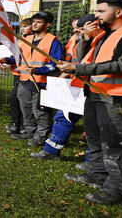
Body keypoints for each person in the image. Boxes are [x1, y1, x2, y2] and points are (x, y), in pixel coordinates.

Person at [59, 0, 122, 205]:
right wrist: (84, 38)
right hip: (96, 93)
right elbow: (83, 59)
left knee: (115, 145)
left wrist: (78, 69)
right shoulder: (103, 35)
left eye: (101, 11)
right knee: (94, 139)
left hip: (120, 97)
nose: (96, 15)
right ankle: (97, 174)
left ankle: (117, 189)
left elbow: (121, 64)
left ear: (119, 12)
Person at [30, 14, 99, 161]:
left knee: (94, 127)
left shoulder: (102, 41)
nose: (77, 32)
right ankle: (51, 151)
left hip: (95, 89)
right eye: (76, 29)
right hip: (77, 87)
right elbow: (73, 64)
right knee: (63, 117)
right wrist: (60, 81)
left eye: (80, 29)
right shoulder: (78, 40)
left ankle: (93, 163)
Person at [2, 11, 62, 146]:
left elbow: (56, 64)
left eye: (39, 22)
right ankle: (30, 130)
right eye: (34, 21)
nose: (34, 24)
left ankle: (41, 135)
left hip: (41, 82)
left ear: (48, 25)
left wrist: (38, 70)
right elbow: (20, 58)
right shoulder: (27, 40)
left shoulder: (53, 41)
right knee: (25, 107)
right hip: (24, 80)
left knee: (40, 110)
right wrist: (7, 59)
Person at [4, 18, 32, 134]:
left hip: (27, 75)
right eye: (21, 27)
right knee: (15, 98)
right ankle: (17, 123)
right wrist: (7, 59)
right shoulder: (20, 40)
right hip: (18, 74)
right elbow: (18, 57)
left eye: (25, 26)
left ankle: (22, 124)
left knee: (20, 99)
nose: (22, 29)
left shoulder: (32, 41)